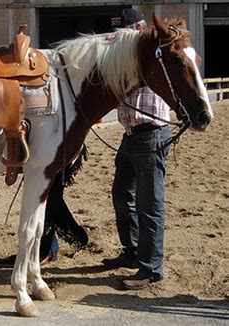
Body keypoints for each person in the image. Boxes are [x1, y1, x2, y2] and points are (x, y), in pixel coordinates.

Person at [101, 8, 172, 290]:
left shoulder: (149, 52)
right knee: (122, 193)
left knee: (149, 202)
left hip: (151, 132)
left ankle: (151, 268)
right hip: (131, 134)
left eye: (126, 31)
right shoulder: (124, 54)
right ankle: (131, 252)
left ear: (139, 28)